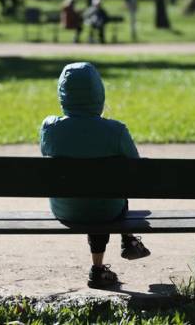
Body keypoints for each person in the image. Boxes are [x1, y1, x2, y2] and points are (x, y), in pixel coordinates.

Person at [40, 62, 150, 289]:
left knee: (94, 192)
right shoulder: (116, 130)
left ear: (63, 94)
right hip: (107, 210)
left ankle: (110, 257)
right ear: (99, 93)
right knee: (109, 194)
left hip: (65, 209)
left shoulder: (50, 128)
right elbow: (136, 169)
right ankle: (121, 245)